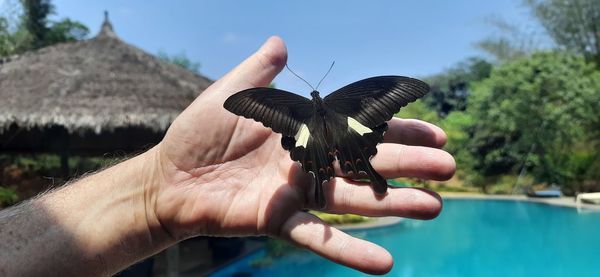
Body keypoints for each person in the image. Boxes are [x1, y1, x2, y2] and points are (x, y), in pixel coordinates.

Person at [0, 36, 455, 276]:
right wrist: (157, 189)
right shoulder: (328, 100)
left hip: (312, 135)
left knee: (325, 164)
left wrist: (155, 192)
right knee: (351, 158)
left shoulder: (292, 106)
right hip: (342, 130)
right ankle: (357, 167)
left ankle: (341, 168)